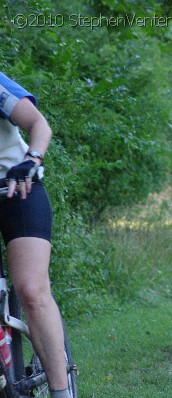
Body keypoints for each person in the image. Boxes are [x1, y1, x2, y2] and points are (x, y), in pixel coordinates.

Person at [0, 72, 71, 397]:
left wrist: (31, 159)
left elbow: (39, 125)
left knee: (31, 289)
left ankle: (61, 391)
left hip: (17, 186)